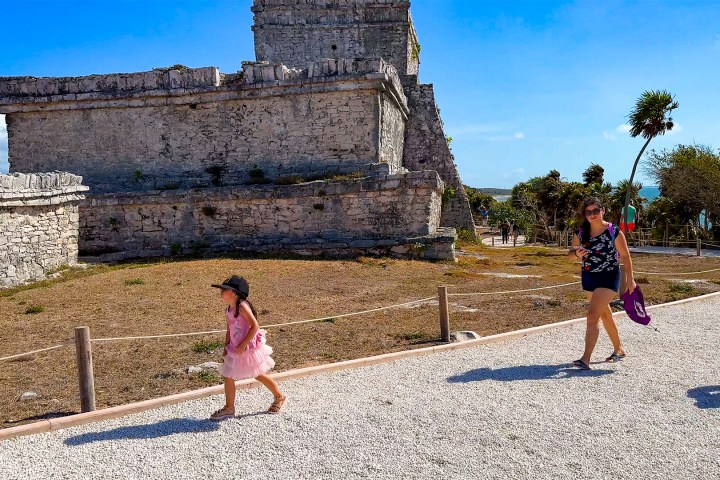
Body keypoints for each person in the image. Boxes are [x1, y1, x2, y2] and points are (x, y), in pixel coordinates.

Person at [568, 197, 635, 370]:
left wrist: (630, 280)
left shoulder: (613, 230)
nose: (592, 215)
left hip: (608, 276)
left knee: (592, 316)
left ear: (602, 210)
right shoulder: (581, 232)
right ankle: (619, 350)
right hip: (589, 277)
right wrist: (577, 254)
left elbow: (626, 256)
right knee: (605, 315)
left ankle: (585, 359)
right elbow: (570, 254)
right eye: (588, 212)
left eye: (595, 211)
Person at [209, 275, 286, 419]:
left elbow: (255, 325)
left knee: (257, 374)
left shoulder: (242, 306)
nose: (221, 292)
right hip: (234, 347)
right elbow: (229, 328)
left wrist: (243, 344)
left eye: (224, 290)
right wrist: (226, 345)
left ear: (234, 293)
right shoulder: (228, 310)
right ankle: (229, 408)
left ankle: (279, 396)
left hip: (247, 348)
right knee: (228, 375)